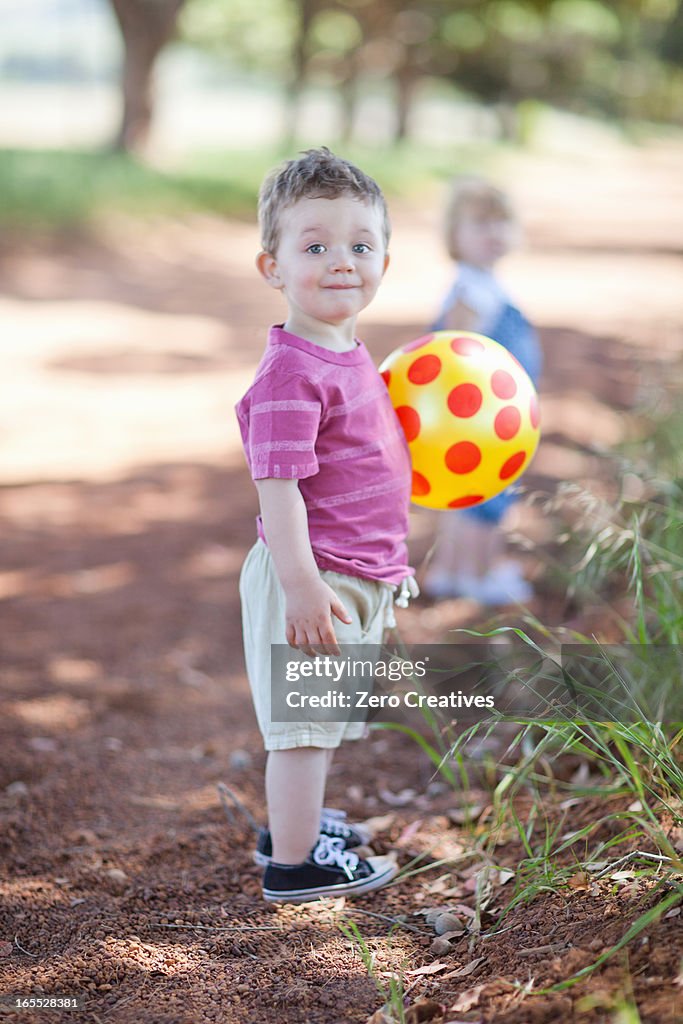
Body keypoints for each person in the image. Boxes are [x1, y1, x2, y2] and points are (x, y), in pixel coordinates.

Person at [235, 148, 417, 904]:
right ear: (271, 266)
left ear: (383, 258)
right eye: (314, 246)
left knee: (322, 718)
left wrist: (388, 561)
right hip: (312, 574)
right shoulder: (291, 374)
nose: (342, 262)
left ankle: (294, 828)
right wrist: (302, 585)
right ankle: (296, 864)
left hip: (351, 571)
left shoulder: (347, 353)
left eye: (360, 245)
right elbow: (276, 487)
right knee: (303, 730)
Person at [422, 177, 542, 605]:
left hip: (486, 415)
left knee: (465, 498)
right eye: (479, 224)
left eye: (501, 223)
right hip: (485, 417)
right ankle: (480, 572)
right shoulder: (471, 289)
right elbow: (455, 350)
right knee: (487, 500)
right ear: (454, 235)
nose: (494, 233)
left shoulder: (479, 282)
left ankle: (451, 570)